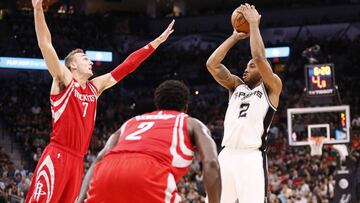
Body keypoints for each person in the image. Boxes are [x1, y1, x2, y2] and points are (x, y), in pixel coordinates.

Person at [26, 0, 175, 202]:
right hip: (57, 156)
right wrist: (37, 8)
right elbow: (45, 44)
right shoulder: (63, 79)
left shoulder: (95, 87)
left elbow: (127, 66)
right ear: (72, 66)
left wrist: (154, 43)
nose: (89, 61)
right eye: (84, 58)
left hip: (78, 162)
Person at [76, 80, 221, 203]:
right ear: (186, 107)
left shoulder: (131, 122)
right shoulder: (191, 123)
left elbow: (99, 159)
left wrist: (79, 199)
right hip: (148, 172)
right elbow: (212, 162)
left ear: (157, 105)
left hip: (105, 173)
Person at [206, 4, 282, 203]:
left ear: (264, 69)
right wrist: (234, 37)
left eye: (251, 67)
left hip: (251, 158)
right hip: (226, 154)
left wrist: (254, 25)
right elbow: (212, 65)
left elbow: (258, 57)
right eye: (246, 66)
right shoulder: (236, 86)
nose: (245, 70)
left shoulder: (272, 87)